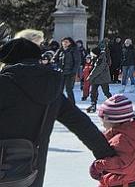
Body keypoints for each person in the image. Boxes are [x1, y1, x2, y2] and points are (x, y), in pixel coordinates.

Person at [0, 38, 114, 187]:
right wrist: (107, 155)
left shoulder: (4, 84)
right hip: (30, 173)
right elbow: (80, 124)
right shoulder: (51, 88)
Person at [89, 94, 135, 187]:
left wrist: (98, 166)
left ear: (109, 119)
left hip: (122, 183)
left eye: (102, 118)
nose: (101, 123)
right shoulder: (134, 135)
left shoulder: (122, 140)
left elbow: (122, 164)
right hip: (130, 181)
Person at [55, 36, 81, 104]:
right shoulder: (60, 50)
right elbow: (54, 59)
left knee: (68, 90)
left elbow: (77, 62)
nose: (64, 43)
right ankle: (58, 103)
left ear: (70, 43)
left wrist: (74, 71)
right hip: (61, 72)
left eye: (66, 42)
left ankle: (72, 103)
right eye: (63, 42)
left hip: (70, 73)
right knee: (59, 89)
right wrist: (57, 67)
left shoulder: (74, 50)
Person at [87, 48, 113, 113]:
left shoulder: (101, 59)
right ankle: (93, 104)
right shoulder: (95, 58)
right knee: (93, 92)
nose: (91, 54)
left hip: (103, 78)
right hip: (96, 79)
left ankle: (114, 103)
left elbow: (98, 69)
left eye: (92, 53)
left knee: (106, 92)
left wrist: (90, 77)